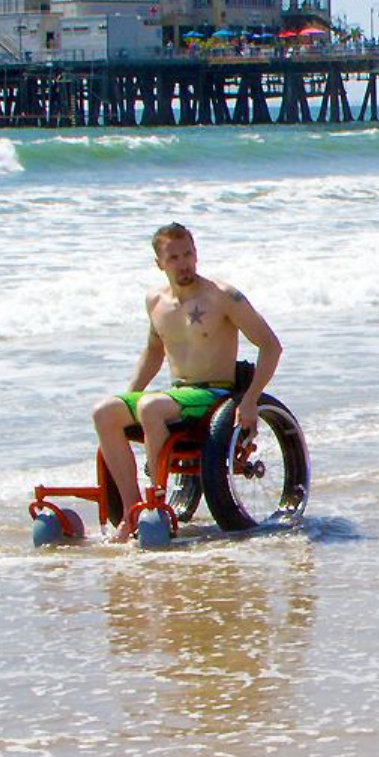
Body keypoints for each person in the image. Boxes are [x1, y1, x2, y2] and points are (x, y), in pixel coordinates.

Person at [92, 223, 283, 540]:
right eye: (174, 257)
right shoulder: (155, 302)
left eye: (189, 254)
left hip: (214, 394)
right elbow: (154, 353)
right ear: (160, 264)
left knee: (152, 407)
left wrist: (251, 399)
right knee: (105, 411)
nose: (184, 263)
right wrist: (129, 398)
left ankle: (156, 504)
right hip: (177, 394)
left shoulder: (223, 296)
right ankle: (131, 512)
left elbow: (270, 345)